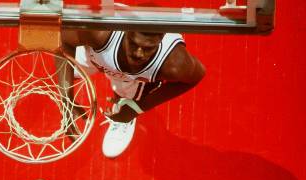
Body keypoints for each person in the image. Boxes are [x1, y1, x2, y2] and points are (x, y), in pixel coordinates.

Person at [60, 29, 205, 158]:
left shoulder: (175, 63)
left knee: (127, 96)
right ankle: (85, 69)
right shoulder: (98, 33)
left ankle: (124, 111)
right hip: (97, 55)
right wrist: (66, 96)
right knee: (67, 71)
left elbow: (196, 76)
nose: (139, 54)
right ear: (125, 31)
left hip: (130, 78)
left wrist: (136, 108)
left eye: (148, 48)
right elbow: (65, 40)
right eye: (134, 44)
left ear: (160, 40)